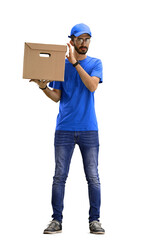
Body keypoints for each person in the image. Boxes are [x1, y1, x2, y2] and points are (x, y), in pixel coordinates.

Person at [30, 23, 105, 234]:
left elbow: (92, 86)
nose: (83, 43)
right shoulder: (60, 66)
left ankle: (95, 220)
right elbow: (57, 97)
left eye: (87, 39)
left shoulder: (95, 63)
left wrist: (75, 64)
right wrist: (43, 87)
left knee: (93, 176)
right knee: (59, 176)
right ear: (71, 41)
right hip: (64, 129)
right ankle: (56, 220)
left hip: (89, 129)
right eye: (79, 39)